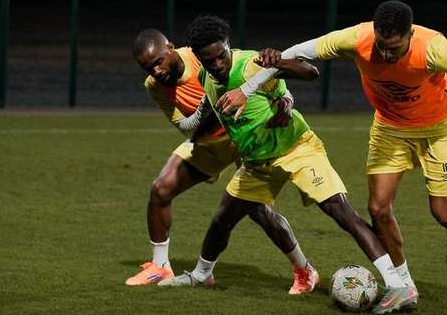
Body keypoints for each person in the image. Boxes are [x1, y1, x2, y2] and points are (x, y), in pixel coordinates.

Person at [216, 0, 447, 304]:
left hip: (438, 132)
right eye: (381, 45)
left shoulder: (434, 49)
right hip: (390, 129)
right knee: (377, 208)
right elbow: (295, 53)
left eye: (394, 47)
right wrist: (248, 89)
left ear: (410, 34)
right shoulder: (356, 38)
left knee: (443, 213)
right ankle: (403, 286)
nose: (386, 53)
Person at [159, 15, 417, 315]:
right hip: (258, 162)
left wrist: (280, 64)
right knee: (222, 218)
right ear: (199, 59)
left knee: (339, 210)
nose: (218, 64)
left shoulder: (251, 64)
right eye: (209, 59)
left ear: (228, 46)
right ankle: (201, 275)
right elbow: (220, 114)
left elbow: (310, 73)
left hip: (296, 149)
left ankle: (396, 284)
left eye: (221, 55)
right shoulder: (207, 81)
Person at [127, 28, 319, 296]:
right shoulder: (154, 86)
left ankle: (304, 269)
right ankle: (160, 266)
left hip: (244, 139)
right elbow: (187, 128)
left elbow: (258, 79)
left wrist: (286, 100)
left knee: (259, 210)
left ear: (171, 47)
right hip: (209, 142)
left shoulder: (200, 58)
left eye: (158, 61)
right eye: (147, 67)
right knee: (161, 189)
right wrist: (209, 105)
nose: (156, 71)